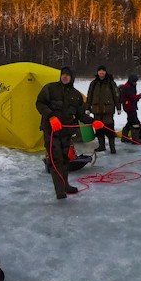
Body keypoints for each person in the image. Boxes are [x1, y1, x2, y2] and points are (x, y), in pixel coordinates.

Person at [35, 66, 92, 199]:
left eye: (67, 74)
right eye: (63, 74)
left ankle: (65, 185)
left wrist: (93, 121)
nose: (64, 76)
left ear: (72, 77)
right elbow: (39, 103)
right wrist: (50, 116)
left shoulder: (76, 95)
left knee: (66, 159)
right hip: (51, 131)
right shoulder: (50, 88)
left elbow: (80, 115)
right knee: (56, 160)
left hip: (66, 132)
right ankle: (60, 191)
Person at [86, 65, 122, 153]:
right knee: (98, 129)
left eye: (103, 71)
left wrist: (118, 107)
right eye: (100, 71)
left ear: (105, 72)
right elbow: (89, 96)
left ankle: (112, 147)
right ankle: (101, 146)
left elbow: (116, 95)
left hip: (108, 109)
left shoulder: (111, 83)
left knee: (109, 129)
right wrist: (87, 108)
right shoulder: (93, 83)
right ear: (97, 72)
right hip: (97, 110)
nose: (101, 72)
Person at [120, 74, 141, 143]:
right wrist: (138, 97)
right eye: (134, 81)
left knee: (130, 122)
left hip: (130, 106)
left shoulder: (131, 86)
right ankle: (135, 139)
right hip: (129, 107)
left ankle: (124, 137)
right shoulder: (127, 87)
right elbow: (131, 96)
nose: (135, 83)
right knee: (135, 122)